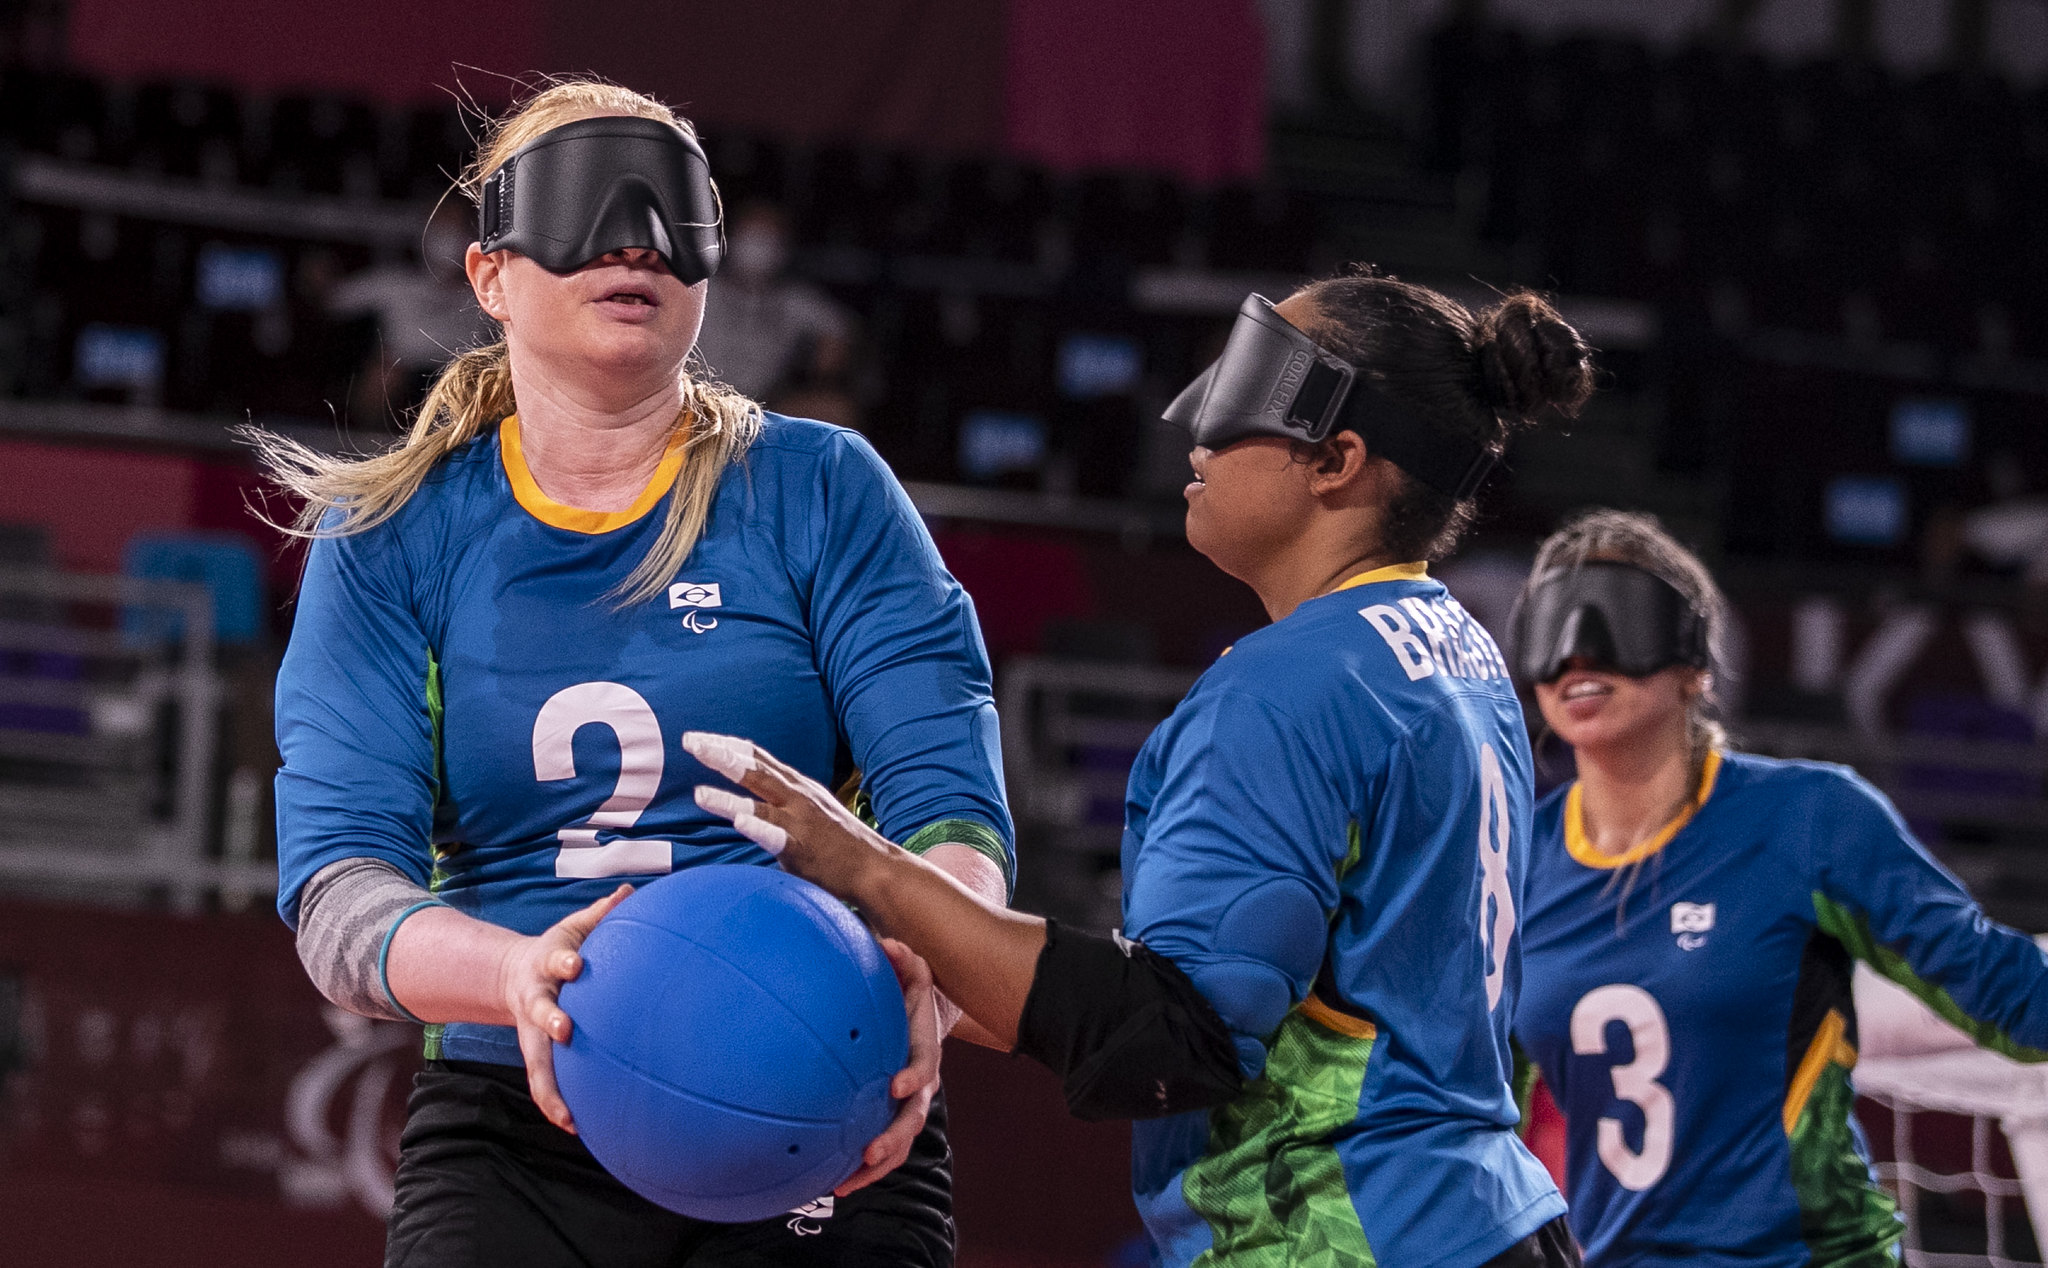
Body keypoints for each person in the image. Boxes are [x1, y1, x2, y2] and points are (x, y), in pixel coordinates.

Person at [690, 270, 1597, 1267]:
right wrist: (935, 973)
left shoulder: (1292, 684)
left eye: (1249, 394)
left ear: (1336, 459)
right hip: (1486, 1216)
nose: (1198, 435)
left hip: (1349, 1232)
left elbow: (1172, 1038)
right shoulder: (1453, 652)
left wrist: (868, 868)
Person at [255, 80, 1011, 1268]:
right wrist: (522, 972)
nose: (631, 240)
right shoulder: (393, 533)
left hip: (818, 1092)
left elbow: (952, 806)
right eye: (581, 200)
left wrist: (940, 975)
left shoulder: (822, 489)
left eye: (671, 209)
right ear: (489, 272)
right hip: (518, 1119)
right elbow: (342, 898)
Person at [1505, 510, 2048, 1267]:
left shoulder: (1809, 819)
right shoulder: (1517, 862)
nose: (1577, 653)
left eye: (1619, 618)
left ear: (1694, 665)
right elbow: (1473, 1109)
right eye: (1551, 627)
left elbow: (2005, 992)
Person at [691, 201, 856, 421]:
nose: (758, 246)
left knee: (833, 409)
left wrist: (818, 375)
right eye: (752, 234)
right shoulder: (700, 287)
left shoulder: (793, 300)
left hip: (764, 404)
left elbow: (840, 330)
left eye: (768, 237)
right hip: (697, 397)